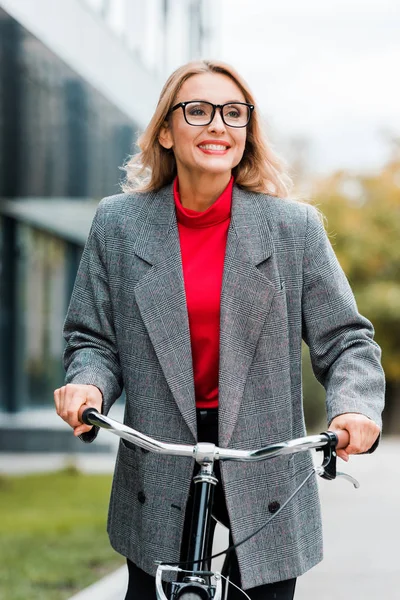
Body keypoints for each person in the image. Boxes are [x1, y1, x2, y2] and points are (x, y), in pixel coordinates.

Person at [54, 60, 384, 599]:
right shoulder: (117, 224)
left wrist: (355, 408)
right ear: (166, 130)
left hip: (266, 460)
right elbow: (92, 338)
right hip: (159, 457)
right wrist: (88, 384)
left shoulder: (293, 229)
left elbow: (347, 341)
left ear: (248, 131)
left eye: (234, 113)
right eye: (198, 111)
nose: (218, 125)